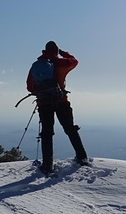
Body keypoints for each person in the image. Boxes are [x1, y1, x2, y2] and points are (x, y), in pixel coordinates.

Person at [26, 41, 89, 173]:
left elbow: (29, 87)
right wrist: (63, 53)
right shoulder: (61, 63)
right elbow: (74, 61)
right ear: (56, 51)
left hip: (44, 104)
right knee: (71, 129)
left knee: (46, 133)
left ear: (45, 50)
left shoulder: (36, 66)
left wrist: (41, 91)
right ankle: (82, 158)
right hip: (61, 101)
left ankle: (47, 165)